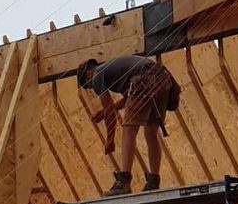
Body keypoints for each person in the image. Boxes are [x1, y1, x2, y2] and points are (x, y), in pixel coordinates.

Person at [76, 54, 180, 196]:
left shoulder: (97, 74)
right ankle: (153, 182)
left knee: (129, 129)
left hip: (143, 78)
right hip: (162, 78)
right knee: (151, 132)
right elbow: (129, 98)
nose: (92, 87)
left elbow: (110, 110)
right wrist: (106, 111)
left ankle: (123, 182)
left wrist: (110, 139)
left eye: (89, 85)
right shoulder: (115, 68)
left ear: (88, 75)